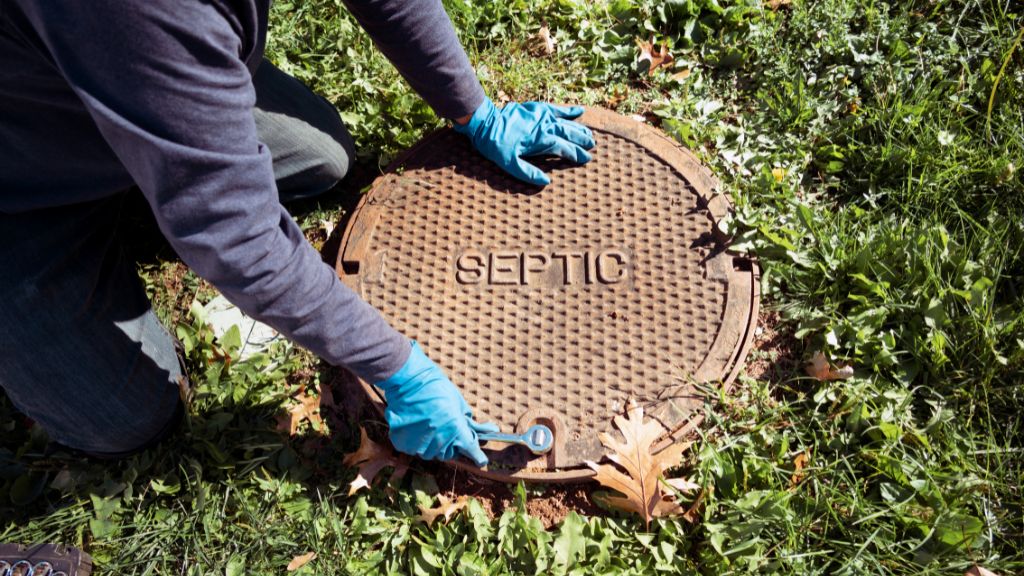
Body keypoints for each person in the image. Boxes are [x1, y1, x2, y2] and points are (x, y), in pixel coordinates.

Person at [0, 0, 595, 472]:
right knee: (122, 417)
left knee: (323, 158)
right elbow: (237, 235)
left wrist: (474, 111)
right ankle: (159, 149)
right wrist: (397, 367)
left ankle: (168, 133)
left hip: (125, 62)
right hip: (24, 182)